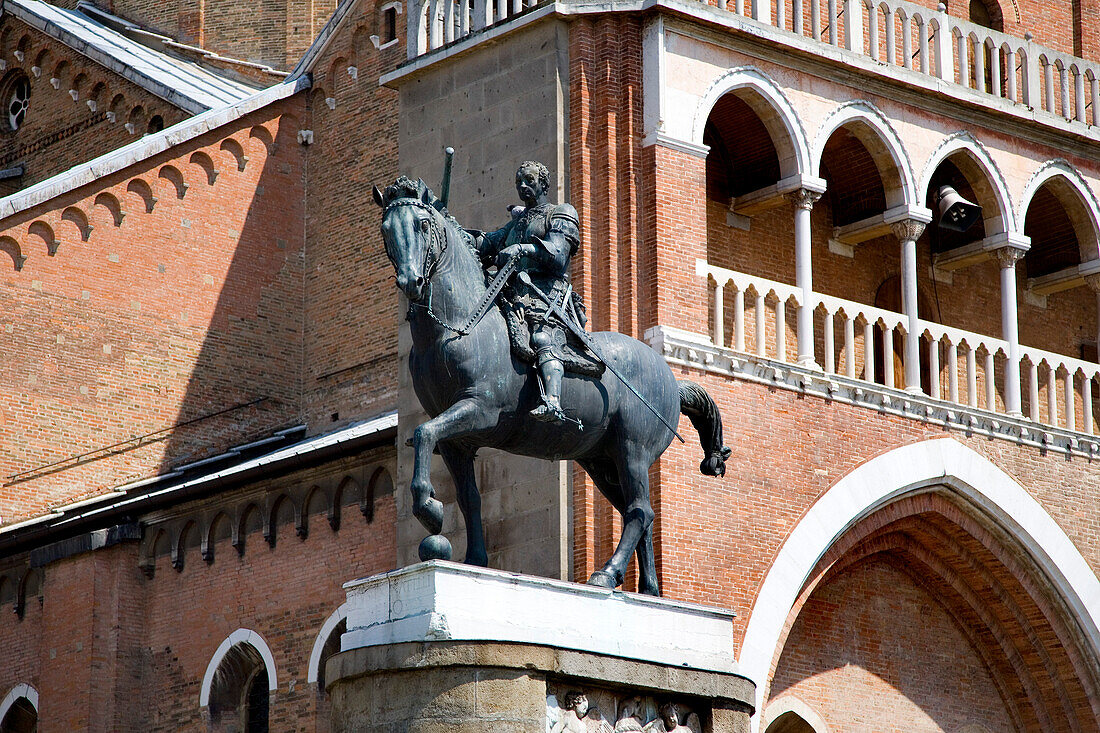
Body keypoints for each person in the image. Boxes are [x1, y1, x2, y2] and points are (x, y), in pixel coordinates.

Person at [475, 161, 581, 424]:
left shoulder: (561, 212)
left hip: (545, 294)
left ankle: (553, 401)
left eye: (529, 181)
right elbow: (488, 243)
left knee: (542, 338)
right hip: (512, 293)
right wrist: (453, 232)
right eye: (519, 182)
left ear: (543, 183)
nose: (523, 186)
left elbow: (557, 254)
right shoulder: (518, 223)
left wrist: (522, 249)